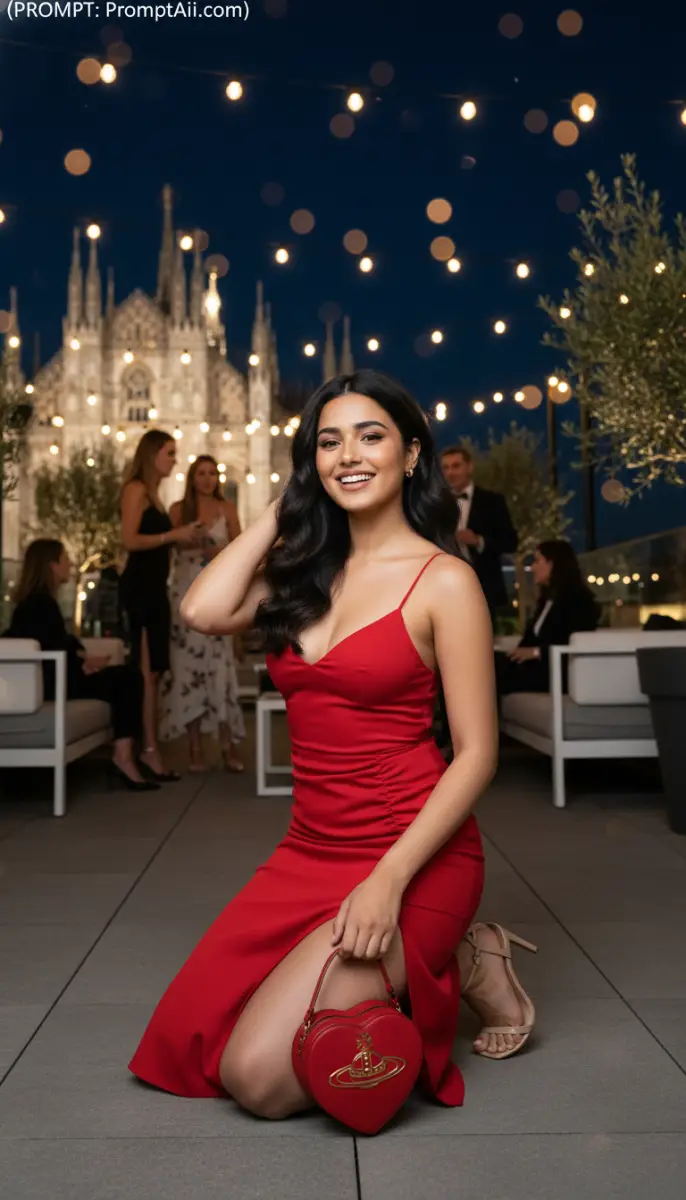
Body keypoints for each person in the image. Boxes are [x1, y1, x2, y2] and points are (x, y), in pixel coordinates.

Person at [128, 369, 539, 1126]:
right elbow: (201, 609)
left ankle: (455, 949)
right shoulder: (302, 576)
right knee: (194, 1039)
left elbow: (477, 754)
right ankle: (453, 957)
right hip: (309, 850)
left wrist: (388, 881)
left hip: (415, 856)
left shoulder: (445, 582)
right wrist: (284, 509)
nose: (349, 454)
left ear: (410, 455)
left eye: (370, 436)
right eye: (328, 442)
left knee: (257, 1077)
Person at [3, 538, 157, 792]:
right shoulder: (39, 604)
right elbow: (51, 651)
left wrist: (82, 658)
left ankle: (125, 755)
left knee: (123, 677)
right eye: (65, 559)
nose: (70, 564)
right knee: (128, 678)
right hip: (52, 684)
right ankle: (124, 757)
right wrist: (82, 664)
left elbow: (56, 643)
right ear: (52, 565)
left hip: (55, 678)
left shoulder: (37, 602)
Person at [119, 429, 207, 783]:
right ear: (152, 454)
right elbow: (129, 540)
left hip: (156, 588)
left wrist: (184, 537)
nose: (174, 460)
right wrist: (174, 535)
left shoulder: (153, 495)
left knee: (154, 672)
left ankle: (148, 747)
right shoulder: (136, 490)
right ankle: (147, 751)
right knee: (146, 673)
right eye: (169, 453)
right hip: (140, 588)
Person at [160, 455, 246, 773]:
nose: (207, 479)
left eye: (212, 473)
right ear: (191, 478)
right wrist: (186, 539)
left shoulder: (227, 509)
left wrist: (218, 551)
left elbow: (242, 551)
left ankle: (228, 745)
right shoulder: (177, 511)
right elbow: (167, 550)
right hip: (184, 593)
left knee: (221, 668)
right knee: (188, 671)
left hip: (216, 593)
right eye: (201, 473)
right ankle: (194, 748)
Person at [496, 539, 599, 696]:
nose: (532, 567)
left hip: (555, 670)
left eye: (537, 561)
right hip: (536, 666)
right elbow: (529, 641)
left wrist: (536, 652)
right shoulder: (546, 600)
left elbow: (572, 642)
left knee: (492, 670)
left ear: (552, 564)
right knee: (488, 662)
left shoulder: (579, 600)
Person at [440, 445, 518, 620]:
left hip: (484, 587)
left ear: (470, 467)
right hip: (444, 588)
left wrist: (479, 541)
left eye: (456, 466)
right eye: (446, 467)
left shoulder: (492, 501)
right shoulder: (437, 504)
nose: (450, 473)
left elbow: (511, 542)